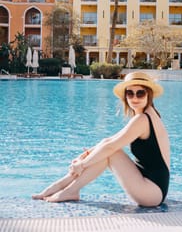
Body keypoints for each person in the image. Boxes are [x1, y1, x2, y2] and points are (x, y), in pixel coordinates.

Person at [32, 71, 170, 207]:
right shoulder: (146, 115)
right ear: (125, 96)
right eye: (130, 93)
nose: (134, 98)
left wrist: (83, 164)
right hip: (150, 186)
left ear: (149, 95)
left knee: (110, 152)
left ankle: (68, 190)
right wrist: (85, 156)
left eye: (140, 93)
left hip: (152, 193)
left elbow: (111, 147)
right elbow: (108, 141)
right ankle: (61, 186)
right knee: (105, 149)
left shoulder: (142, 119)